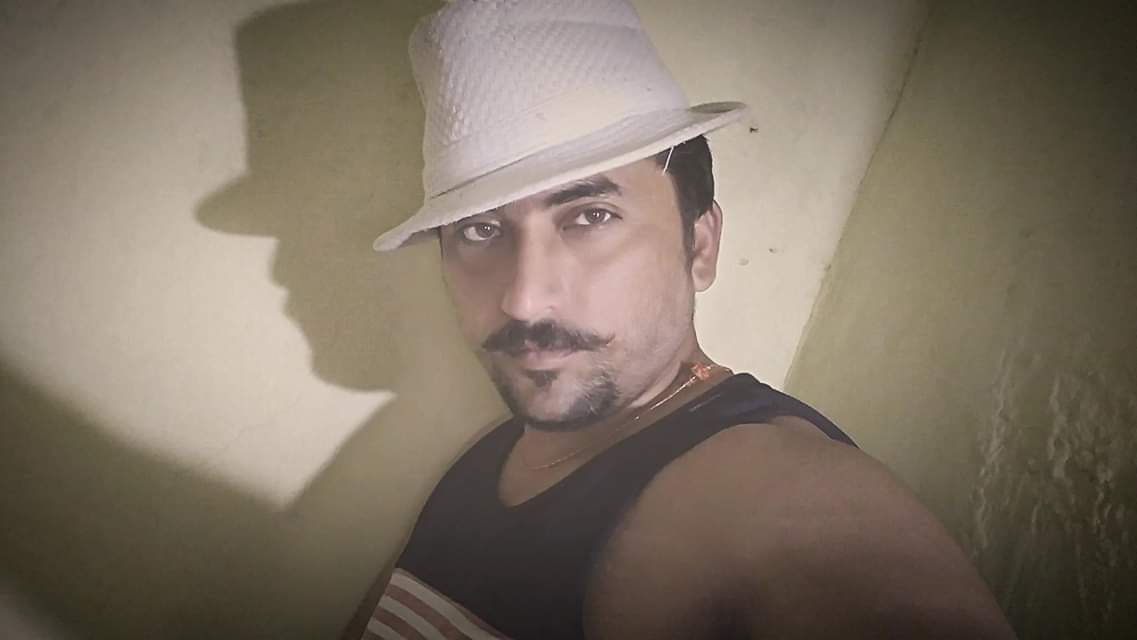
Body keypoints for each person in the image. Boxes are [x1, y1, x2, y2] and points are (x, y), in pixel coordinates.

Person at [344, 1, 1016, 638]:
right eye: (480, 230)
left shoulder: (776, 493)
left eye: (590, 216)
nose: (522, 300)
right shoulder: (488, 452)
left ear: (698, 245)